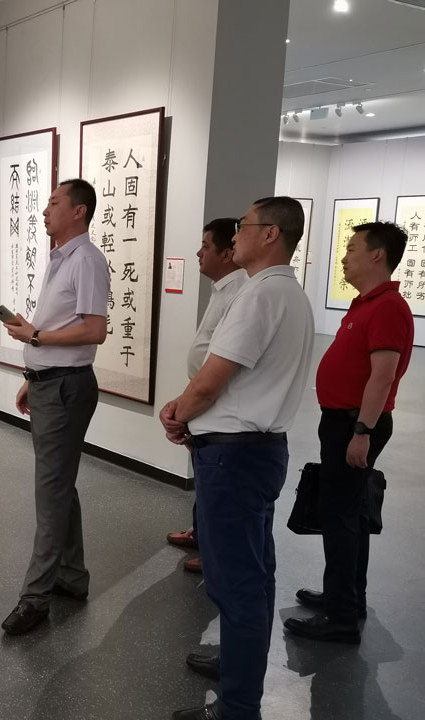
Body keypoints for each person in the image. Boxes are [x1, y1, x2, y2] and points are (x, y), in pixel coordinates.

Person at [160, 197, 314, 720]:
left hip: (235, 459)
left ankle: (237, 707)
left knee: (238, 586)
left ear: (270, 234)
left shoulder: (260, 295)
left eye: (244, 226)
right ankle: (237, 669)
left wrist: (179, 414)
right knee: (254, 576)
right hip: (256, 453)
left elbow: (212, 380)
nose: (234, 236)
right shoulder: (287, 293)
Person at [285, 222, 414, 645]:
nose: (344, 257)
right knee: (349, 513)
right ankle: (347, 598)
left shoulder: (388, 307)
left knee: (339, 515)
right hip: (345, 422)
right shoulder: (366, 304)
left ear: (377, 255)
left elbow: (383, 375)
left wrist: (362, 431)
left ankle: (340, 617)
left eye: (352, 248)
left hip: (355, 424)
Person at [0, 179, 110, 636]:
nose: (45, 210)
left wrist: (37, 337)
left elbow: (94, 330)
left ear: (79, 211)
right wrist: (33, 372)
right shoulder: (61, 258)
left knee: (51, 491)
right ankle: (71, 575)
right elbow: (58, 326)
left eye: (54, 202)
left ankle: (35, 597)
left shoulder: (87, 260)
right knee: (60, 485)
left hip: (67, 388)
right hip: (50, 384)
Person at [167, 218, 246, 576]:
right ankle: (201, 534)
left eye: (206, 246)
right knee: (204, 475)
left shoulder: (241, 293)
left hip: (218, 403)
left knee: (218, 484)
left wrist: (184, 409)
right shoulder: (222, 289)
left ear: (228, 253)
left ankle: (214, 551)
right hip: (203, 399)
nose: (199, 253)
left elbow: (221, 367)